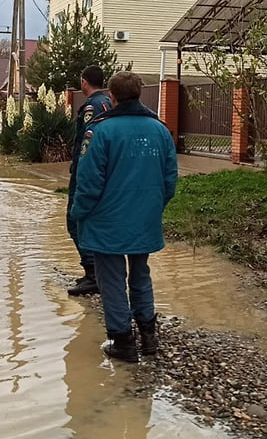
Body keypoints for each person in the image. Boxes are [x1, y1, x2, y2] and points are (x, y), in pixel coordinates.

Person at [69, 71, 178, 362]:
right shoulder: (159, 130)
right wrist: (152, 207)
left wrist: (78, 213)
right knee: (141, 275)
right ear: (139, 94)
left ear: (112, 97)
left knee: (112, 281)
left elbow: (88, 182)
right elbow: (170, 180)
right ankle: (149, 336)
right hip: (144, 220)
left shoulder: (100, 130)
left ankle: (123, 342)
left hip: (107, 222)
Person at [66, 65, 112, 297]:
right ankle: (95, 272)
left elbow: (88, 143)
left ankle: (93, 274)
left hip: (87, 172)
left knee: (75, 221)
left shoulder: (92, 107)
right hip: (105, 172)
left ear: (84, 82)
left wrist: (80, 171)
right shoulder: (108, 102)